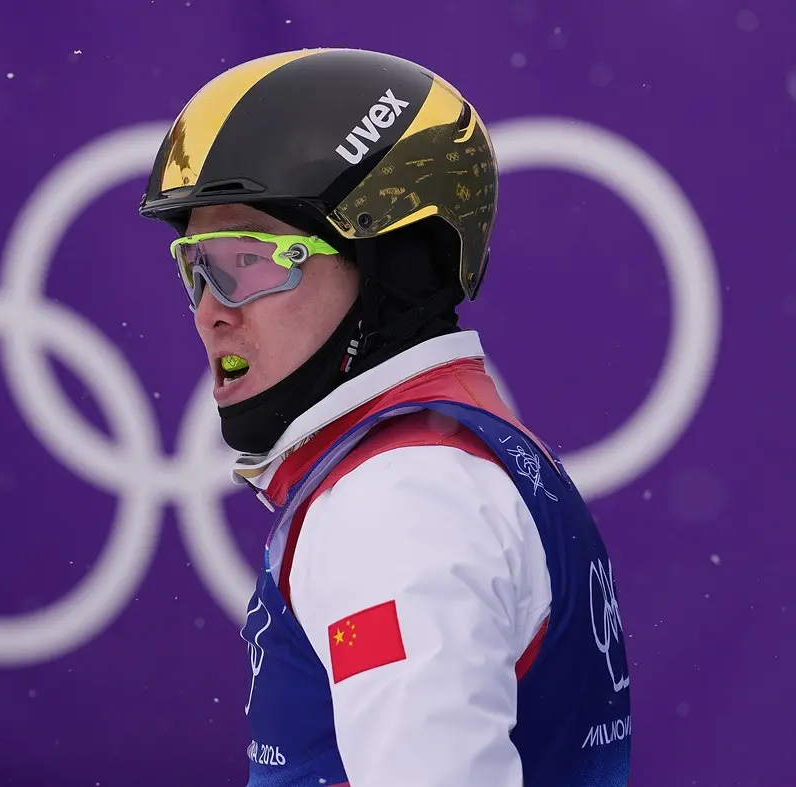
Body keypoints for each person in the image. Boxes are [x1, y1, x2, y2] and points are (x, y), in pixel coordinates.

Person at [137, 48, 631, 787]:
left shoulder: (397, 500)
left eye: (248, 260)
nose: (210, 311)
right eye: (195, 267)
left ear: (388, 266)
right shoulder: (457, 456)